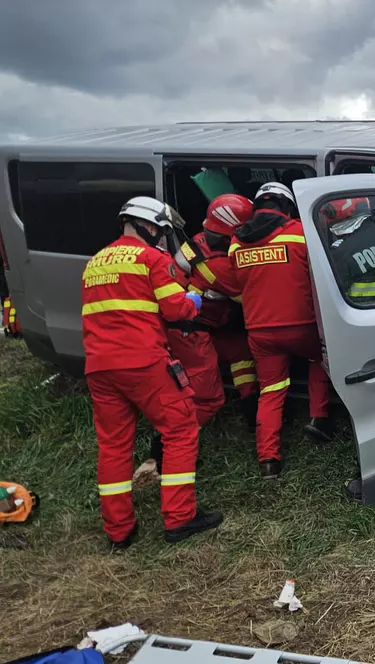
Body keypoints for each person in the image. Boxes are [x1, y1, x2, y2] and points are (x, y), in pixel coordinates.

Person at [81, 196, 222, 548]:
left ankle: (119, 531)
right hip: (143, 362)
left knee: (113, 446)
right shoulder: (149, 259)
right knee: (180, 429)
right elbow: (177, 309)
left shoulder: (95, 263)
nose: (162, 239)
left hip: (99, 367)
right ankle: (180, 518)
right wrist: (196, 299)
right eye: (161, 232)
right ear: (148, 226)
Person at [229, 182, 333, 479]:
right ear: (287, 207)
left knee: (271, 391)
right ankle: (319, 418)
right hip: (303, 326)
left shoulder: (237, 242)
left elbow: (237, 286)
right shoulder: (300, 231)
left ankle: (268, 461)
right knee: (319, 361)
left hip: (260, 331)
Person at [192, 194, 259, 423]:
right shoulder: (219, 266)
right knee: (209, 386)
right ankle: (250, 406)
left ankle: (249, 401)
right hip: (202, 324)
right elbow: (249, 299)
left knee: (240, 354)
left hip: (209, 318)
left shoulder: (199, 241)